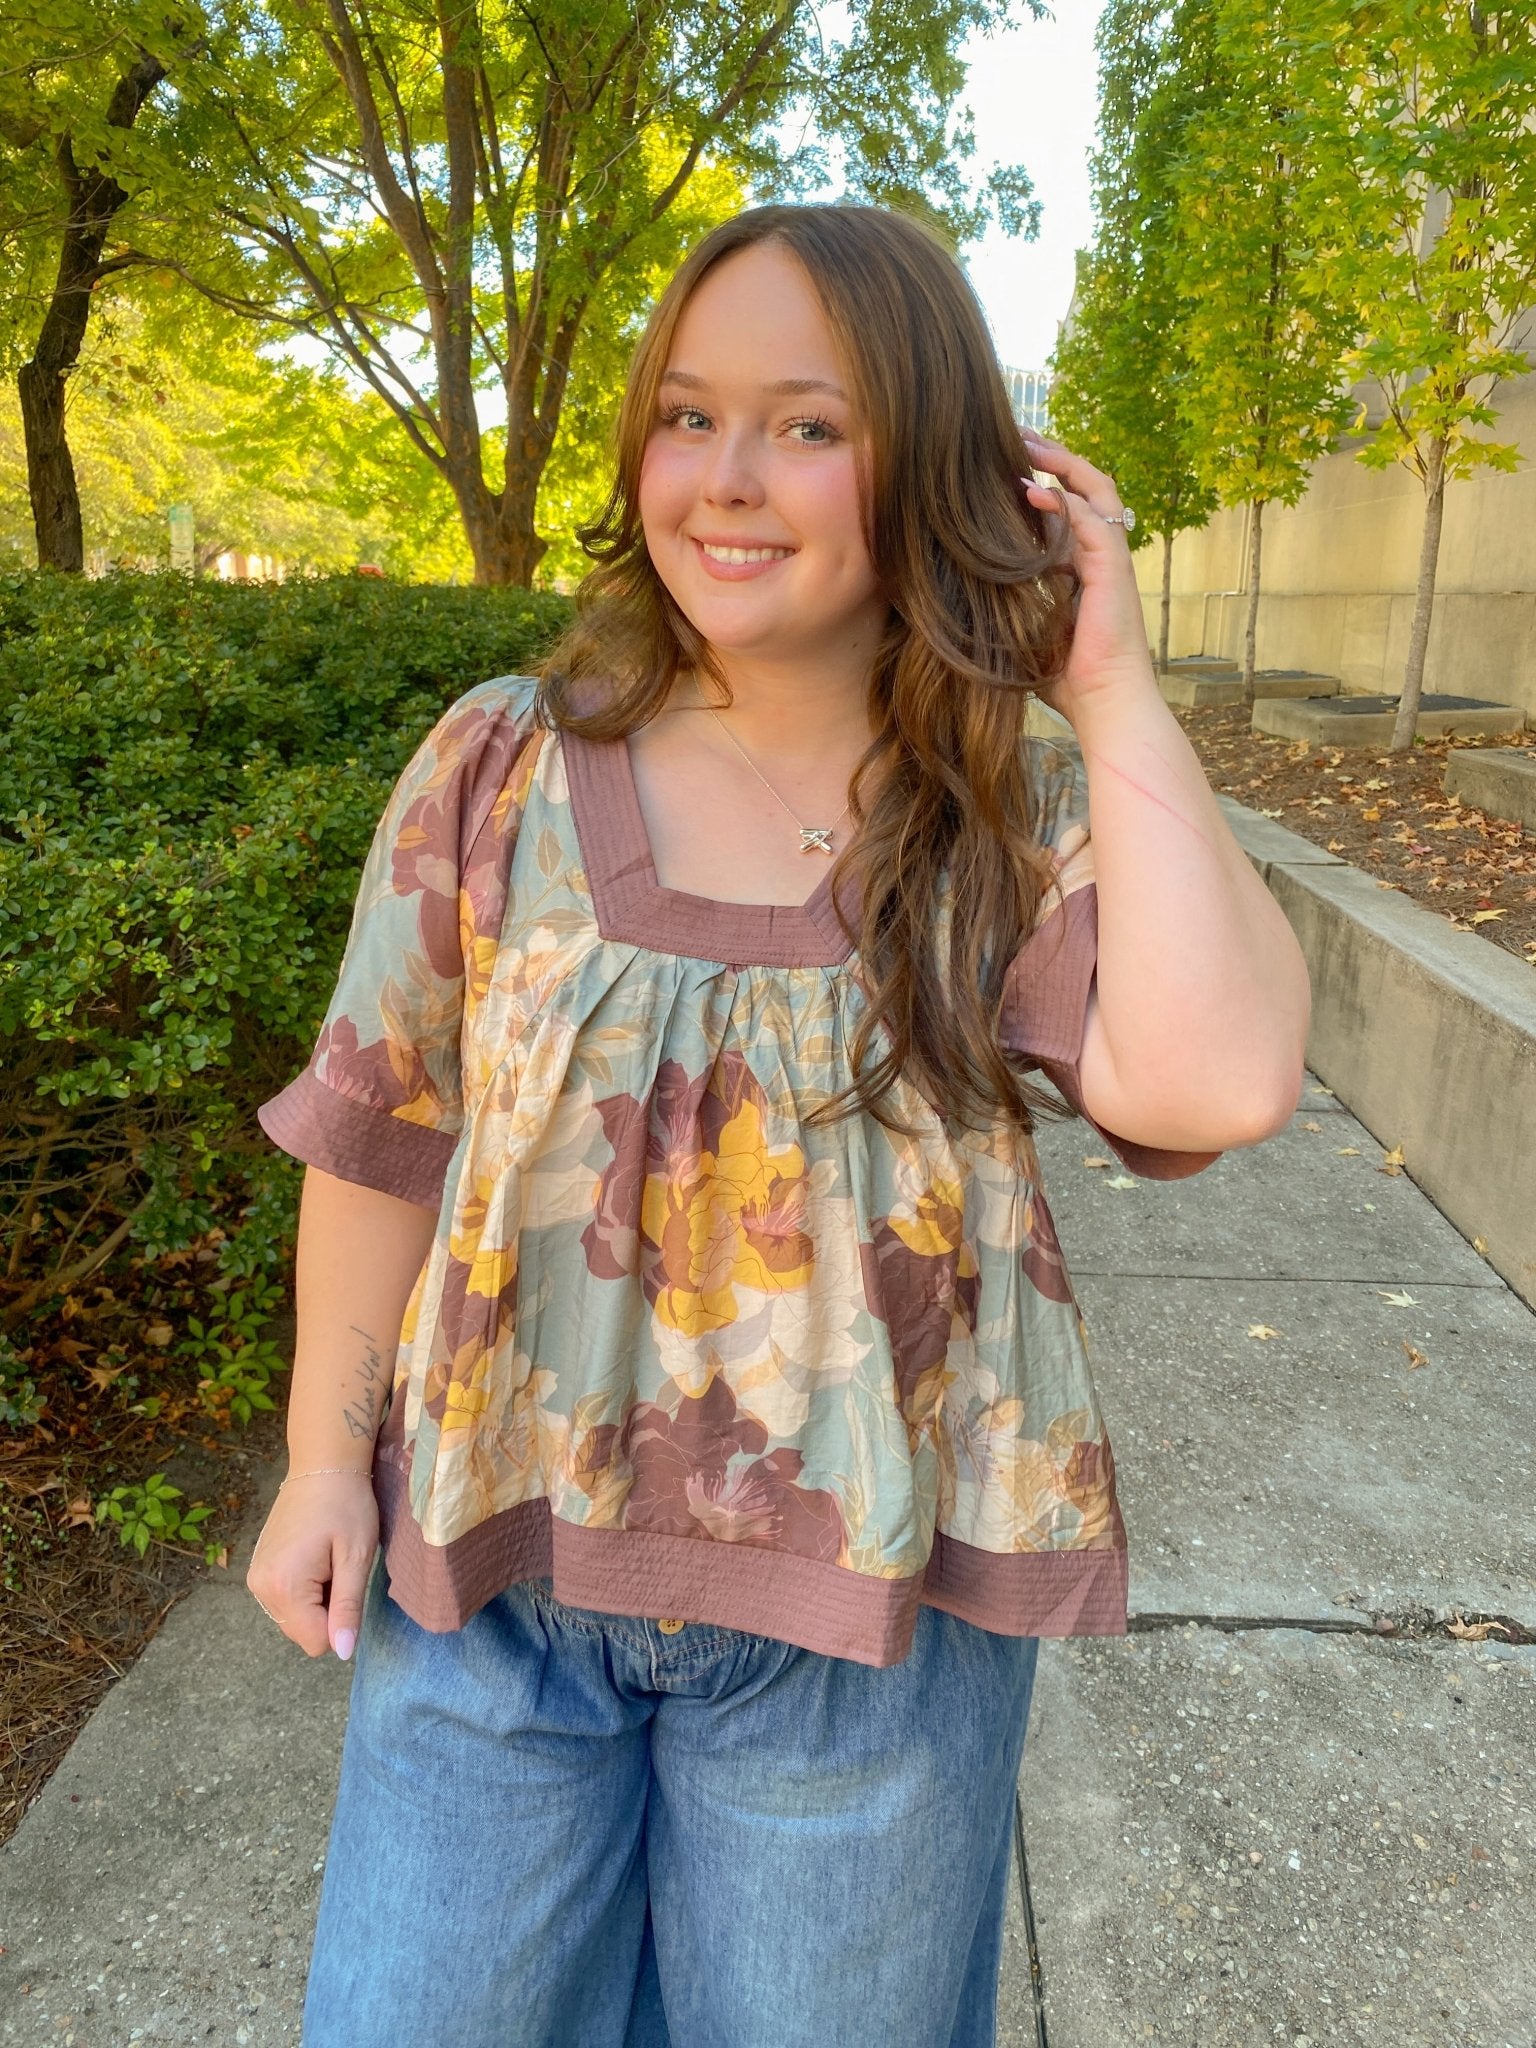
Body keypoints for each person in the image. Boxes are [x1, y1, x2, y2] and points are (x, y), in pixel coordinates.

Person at [248, 203, 1309, 2047]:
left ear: (940, 470)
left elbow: (1215, 1081)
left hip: (869, 1637)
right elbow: (381, 1133)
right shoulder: (502, 763)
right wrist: (321, 1461)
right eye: (688, 415)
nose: (727, 478)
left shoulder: (998, 833)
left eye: (810, 426)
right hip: (492, 1591)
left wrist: (1109, 681)